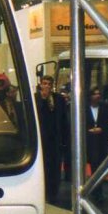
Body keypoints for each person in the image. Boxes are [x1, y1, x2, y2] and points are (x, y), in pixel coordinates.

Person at [35, 75, 66, 205]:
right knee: (44, 167)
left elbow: (63, 118)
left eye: (49, 84)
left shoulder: (58, 99)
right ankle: (44, 192)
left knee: (55, 166)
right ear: (41, 84)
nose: (47, 86)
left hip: (55, 138)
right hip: (42, 139)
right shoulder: (36, 98)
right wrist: (43, 98)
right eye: (44, 83)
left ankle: (54, 192)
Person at [85, 87, 108, 176]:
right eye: (95, 94)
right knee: (92, 162)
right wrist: (88, 130)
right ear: (90, 96)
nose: (97, 96)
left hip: (101, 140)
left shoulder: (105, 108)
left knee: (100, 163)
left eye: (99, 94)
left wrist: (102, 129)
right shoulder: (84, 109)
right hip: (89, 140)